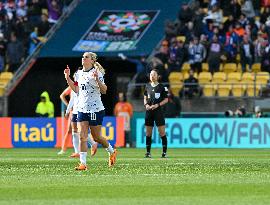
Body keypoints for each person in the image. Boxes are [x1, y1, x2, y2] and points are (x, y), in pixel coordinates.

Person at [64, 52, 117, 171]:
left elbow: (104, 91)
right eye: (83, 57)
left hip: (95, 109)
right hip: (82, 109)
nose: (83, 58)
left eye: (86, 57)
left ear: (92, 61)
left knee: (97, 137)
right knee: (82, 136)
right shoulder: (78, 73)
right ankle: (83, 164)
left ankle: (112, 151)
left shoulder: (97, 73)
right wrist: (67, 78)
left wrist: (97, 79)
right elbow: (76, 89)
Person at [144, 69, 169, 158]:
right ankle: (148, 152)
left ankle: (164, 152)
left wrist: (157, 105)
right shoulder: (147, 86)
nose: (152, 76)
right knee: (148, 133)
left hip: (158, 112)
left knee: (162, 133)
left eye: (154, 74)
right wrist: (146, 104)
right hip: (149, 111)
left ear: (158, 76)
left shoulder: (162, 87)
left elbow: (166, 99)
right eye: (151, 74)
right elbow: (145, 97)